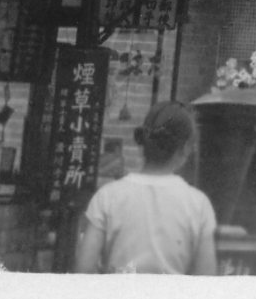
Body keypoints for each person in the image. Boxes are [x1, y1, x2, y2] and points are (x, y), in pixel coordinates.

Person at [75, 102, 217, 275]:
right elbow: (206, 279)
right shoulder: (198, 204)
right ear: (186, 148)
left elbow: (84, 269)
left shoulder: (107, 196)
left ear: (144, 141)